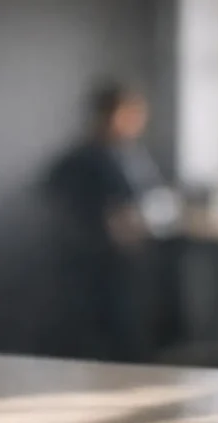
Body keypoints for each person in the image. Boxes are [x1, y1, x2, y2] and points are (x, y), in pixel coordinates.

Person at [48, 82, 165, 362]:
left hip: (122, 261)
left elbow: (148, 200)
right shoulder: (90, 159)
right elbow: (110, 211)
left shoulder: (130, 154)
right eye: (131, 113)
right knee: (111, 337)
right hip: (98, 264)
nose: (139, 121)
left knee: (130, 332)